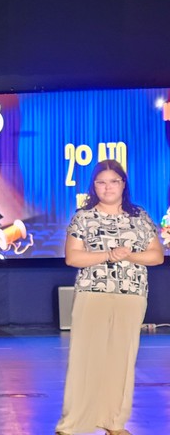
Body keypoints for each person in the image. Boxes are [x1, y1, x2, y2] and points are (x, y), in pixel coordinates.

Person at [55, 159, 164, 435]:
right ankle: (72, 425)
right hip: (93, 293)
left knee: (121, 360)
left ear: (123, 184)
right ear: (94, 186)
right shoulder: (83, 217)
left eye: (113, 181)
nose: (108, 187)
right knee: (85, 359)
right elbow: (72, 257)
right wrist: (108, 255)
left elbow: (157, 256)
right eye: (101, 182)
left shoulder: (139, 216)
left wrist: (130, 256)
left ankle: (114, 423)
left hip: (132, 294)